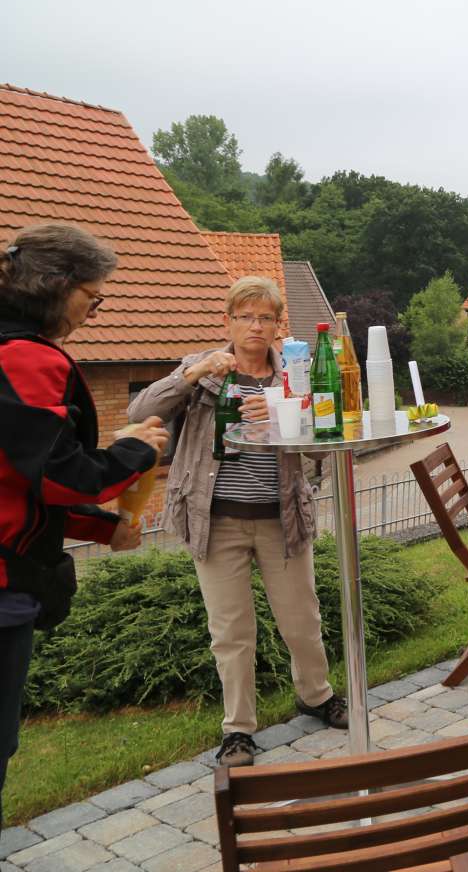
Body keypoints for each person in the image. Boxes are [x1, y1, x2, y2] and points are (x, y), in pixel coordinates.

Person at [131, 275, 347, 767]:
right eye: (245, 316)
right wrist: (190, 375)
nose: (255, 325)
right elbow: (139, 409)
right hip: (217, 522)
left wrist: (280, 413)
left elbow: (322, 445)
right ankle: (238, 730)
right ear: (227, 321)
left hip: (282, 520)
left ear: (277, 326)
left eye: (265, 317)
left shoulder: (295, 374)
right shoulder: (204, 372)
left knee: (302, 620)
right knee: (231, 630)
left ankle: (315, 696)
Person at [0, 224, 164, 815]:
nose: (96, 311)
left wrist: (103, 528)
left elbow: (18, 483)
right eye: (93, 298)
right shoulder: (22, 359)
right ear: (56, 285)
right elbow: (60, 474)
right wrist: (138, 451)